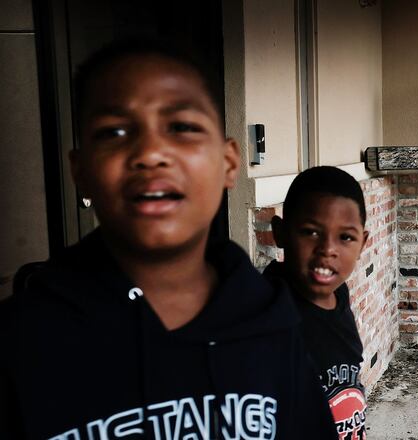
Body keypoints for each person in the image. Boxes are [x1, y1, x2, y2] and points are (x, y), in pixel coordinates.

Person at [0, 39, 336, 439]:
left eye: (181, 127)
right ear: (80, 171)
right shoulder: (20, 342)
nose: (151, 152)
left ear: (229, 162)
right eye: (115, 131)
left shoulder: (271, 323)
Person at [264, 166, 370, 440]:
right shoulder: (267, 311)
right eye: (311, 232)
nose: (328, 249)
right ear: (280, 233)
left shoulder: (339, 296)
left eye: (345, 237)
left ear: (362, 243)